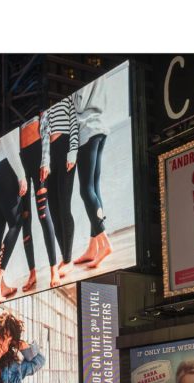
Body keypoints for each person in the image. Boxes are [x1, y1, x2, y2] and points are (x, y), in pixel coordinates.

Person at [71, 76, 113, 270]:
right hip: (100, 127)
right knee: (94, 189)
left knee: (85, 190)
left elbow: (78, 105)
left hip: (87, 129)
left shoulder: (84, 74)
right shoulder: (101, 75)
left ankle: (104, 242)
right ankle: (93, 246)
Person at [0, 131, 28, 303]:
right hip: (5, 171)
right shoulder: (8, 124)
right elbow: (10, 146)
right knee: (16, 223)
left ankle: (1, 286)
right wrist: (22, 176)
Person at [40, 97, 80, 280]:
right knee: (54, 210)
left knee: (64, 206)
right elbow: (43, 136)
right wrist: (45, 162)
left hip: (65, 147)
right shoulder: (44, 109)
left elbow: (74, 124)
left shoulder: (67, 99)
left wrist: (73, 151)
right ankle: (65, 258)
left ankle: (69, 259)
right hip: (50, 156)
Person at [19, 116, 58, 290]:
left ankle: (54, 270)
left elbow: (46, 128)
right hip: (21, 160)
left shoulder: (38, 104)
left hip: (37, 152)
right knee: (24, 217)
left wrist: (45, 160)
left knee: (43, 214)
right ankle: (32, 273)